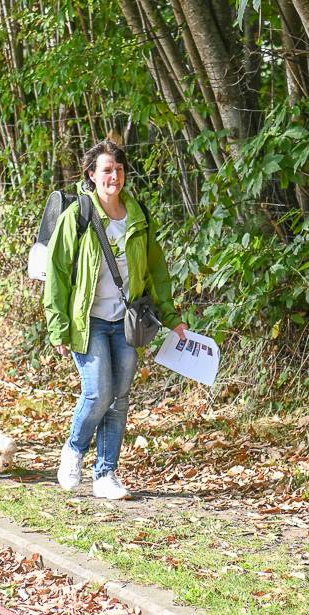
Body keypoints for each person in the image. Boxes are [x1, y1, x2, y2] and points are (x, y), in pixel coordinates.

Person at [44, 141, 187, 499]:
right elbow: (58, 274)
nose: (114, 176)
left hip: (125, 320)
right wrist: (58, 327)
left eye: (119, 169)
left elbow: (157, 270)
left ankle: (106, 474)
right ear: (91, 175)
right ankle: (74, 450)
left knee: (120, 397)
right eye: (106, 170)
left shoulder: (138, 216)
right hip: (87, 320)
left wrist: (172, 317)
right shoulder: (77, 217)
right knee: (98, 392)